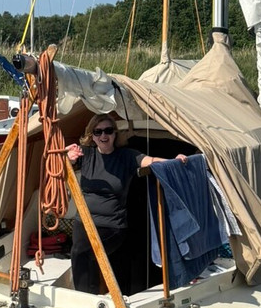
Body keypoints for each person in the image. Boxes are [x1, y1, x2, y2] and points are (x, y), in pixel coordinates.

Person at [64, 111, 184, 294]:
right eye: (98, 132)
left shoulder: (127, 156)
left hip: (112, 226)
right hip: (84, 222)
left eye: (108, 131)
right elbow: (59, 166)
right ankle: (86, 298)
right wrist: (67, 157)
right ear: (92, 135)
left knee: (84, 253)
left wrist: (174, 162)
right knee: (79, 253)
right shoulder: (86, 155)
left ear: (114, 134)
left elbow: (150, 162)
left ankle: (88, 298)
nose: (104, 135)